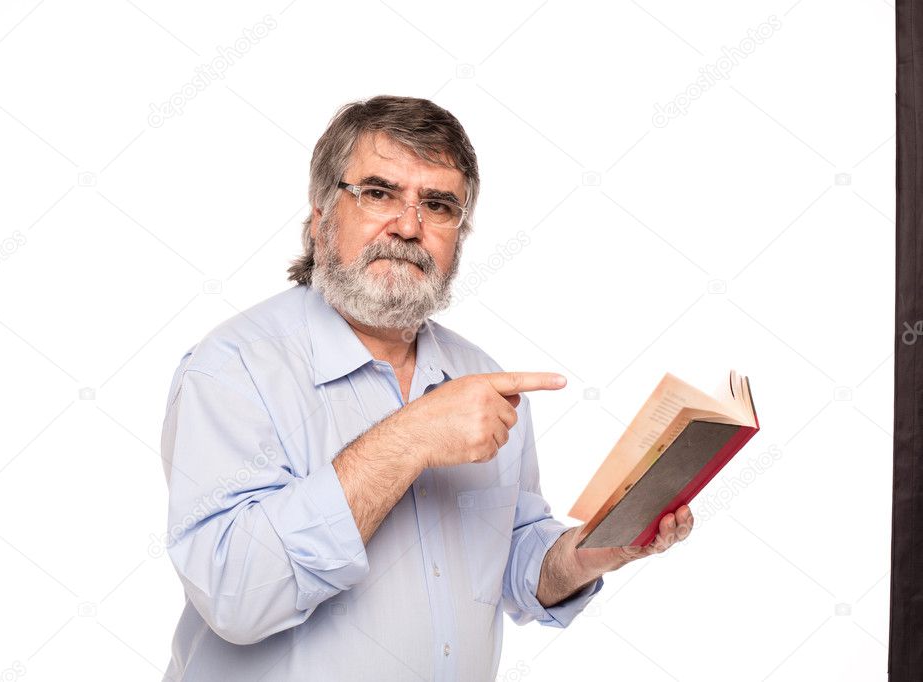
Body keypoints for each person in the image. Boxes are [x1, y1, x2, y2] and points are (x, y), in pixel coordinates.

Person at [159, 95, 693, 681]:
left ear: (458, 234)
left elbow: (511, 563)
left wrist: (594, 553)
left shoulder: (478, 376)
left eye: (438, 205)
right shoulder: (232, 369)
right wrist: (412, 436)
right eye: (379, 193)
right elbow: (236, 595)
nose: (408, 227)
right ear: (320, 215)